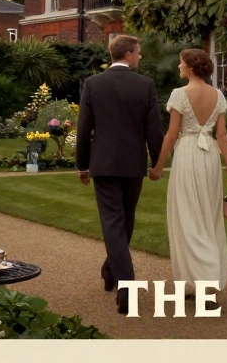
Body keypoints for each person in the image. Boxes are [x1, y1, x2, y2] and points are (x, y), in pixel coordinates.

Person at [75, 35, 164, 315]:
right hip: (132, 164)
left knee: (118, 223)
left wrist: (82, 165)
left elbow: (83, 129)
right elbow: (154, 129)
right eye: (138, 52)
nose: (140, 56)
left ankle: (111, 270)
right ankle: (127, 287)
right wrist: (157, 162)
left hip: (103, 163)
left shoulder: (93, 84)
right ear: (127, 53)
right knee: (124, 220)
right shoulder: (145, 85)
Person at [150, 48, 227, 296]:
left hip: (188, 154)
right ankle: (194, 282)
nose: (179, 66)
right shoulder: (217, 95)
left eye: (181, 63)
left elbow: (171, 135)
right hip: (209, 156)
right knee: (208, 218)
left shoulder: (179, 94)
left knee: (188, 217)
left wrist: (158, 167)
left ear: (190, 67)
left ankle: (203, 281)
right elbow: (222, 135)